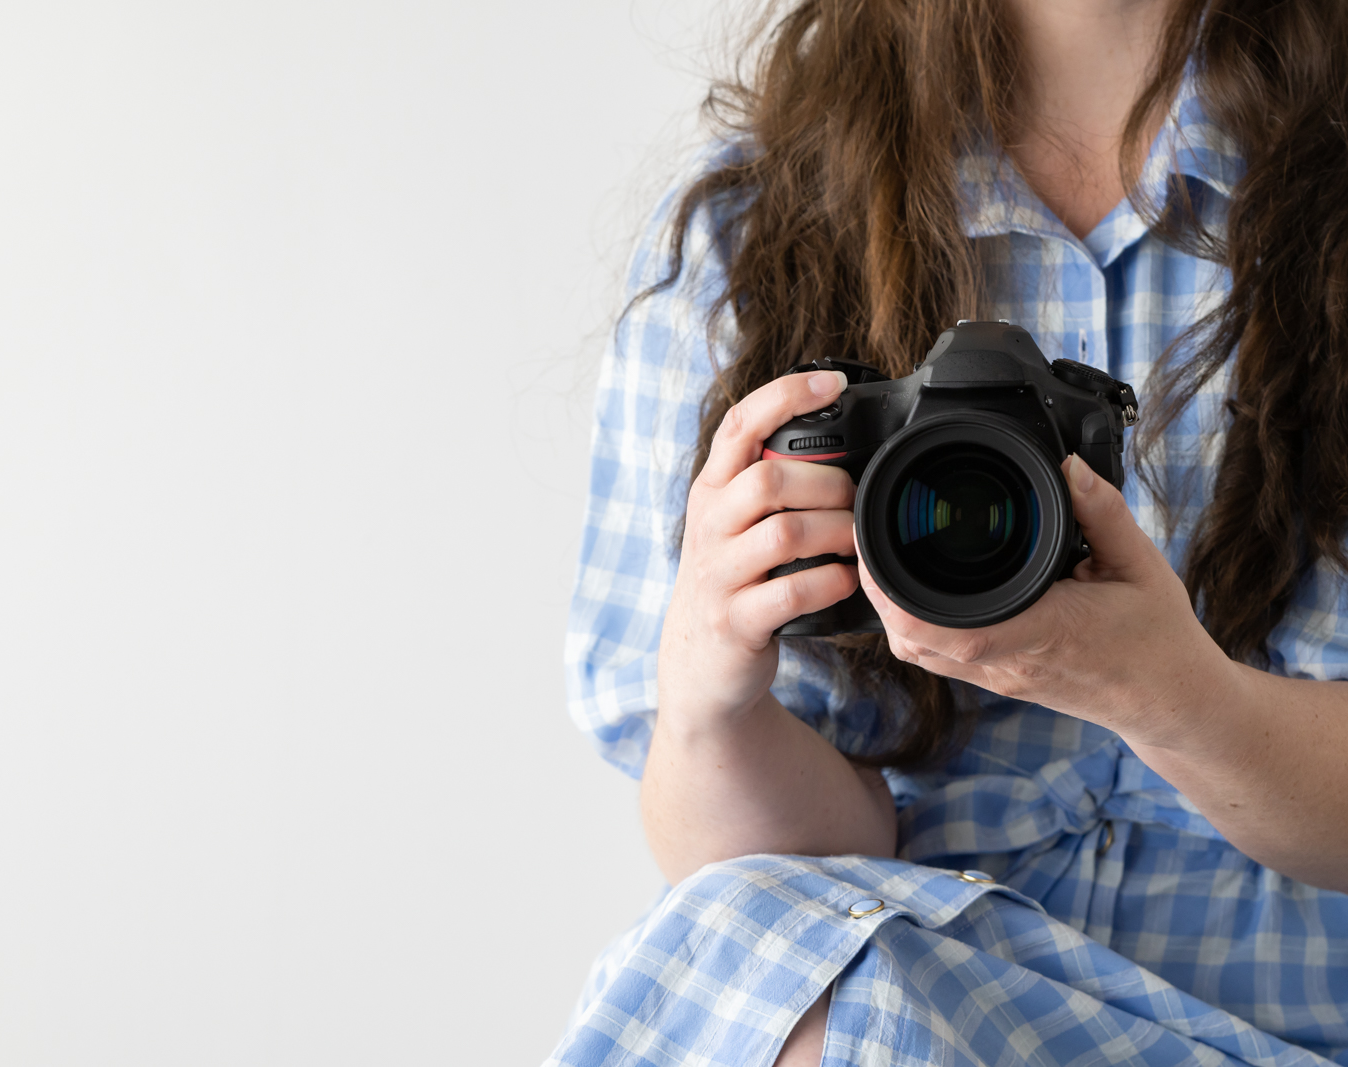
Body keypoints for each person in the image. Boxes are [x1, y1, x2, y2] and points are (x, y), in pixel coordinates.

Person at [550, 1, 1348, 1064]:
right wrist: (715, 697)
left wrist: (1173, 694)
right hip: (914, 1022)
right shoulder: (756, 235)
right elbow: (758, 880)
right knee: (762, 957)